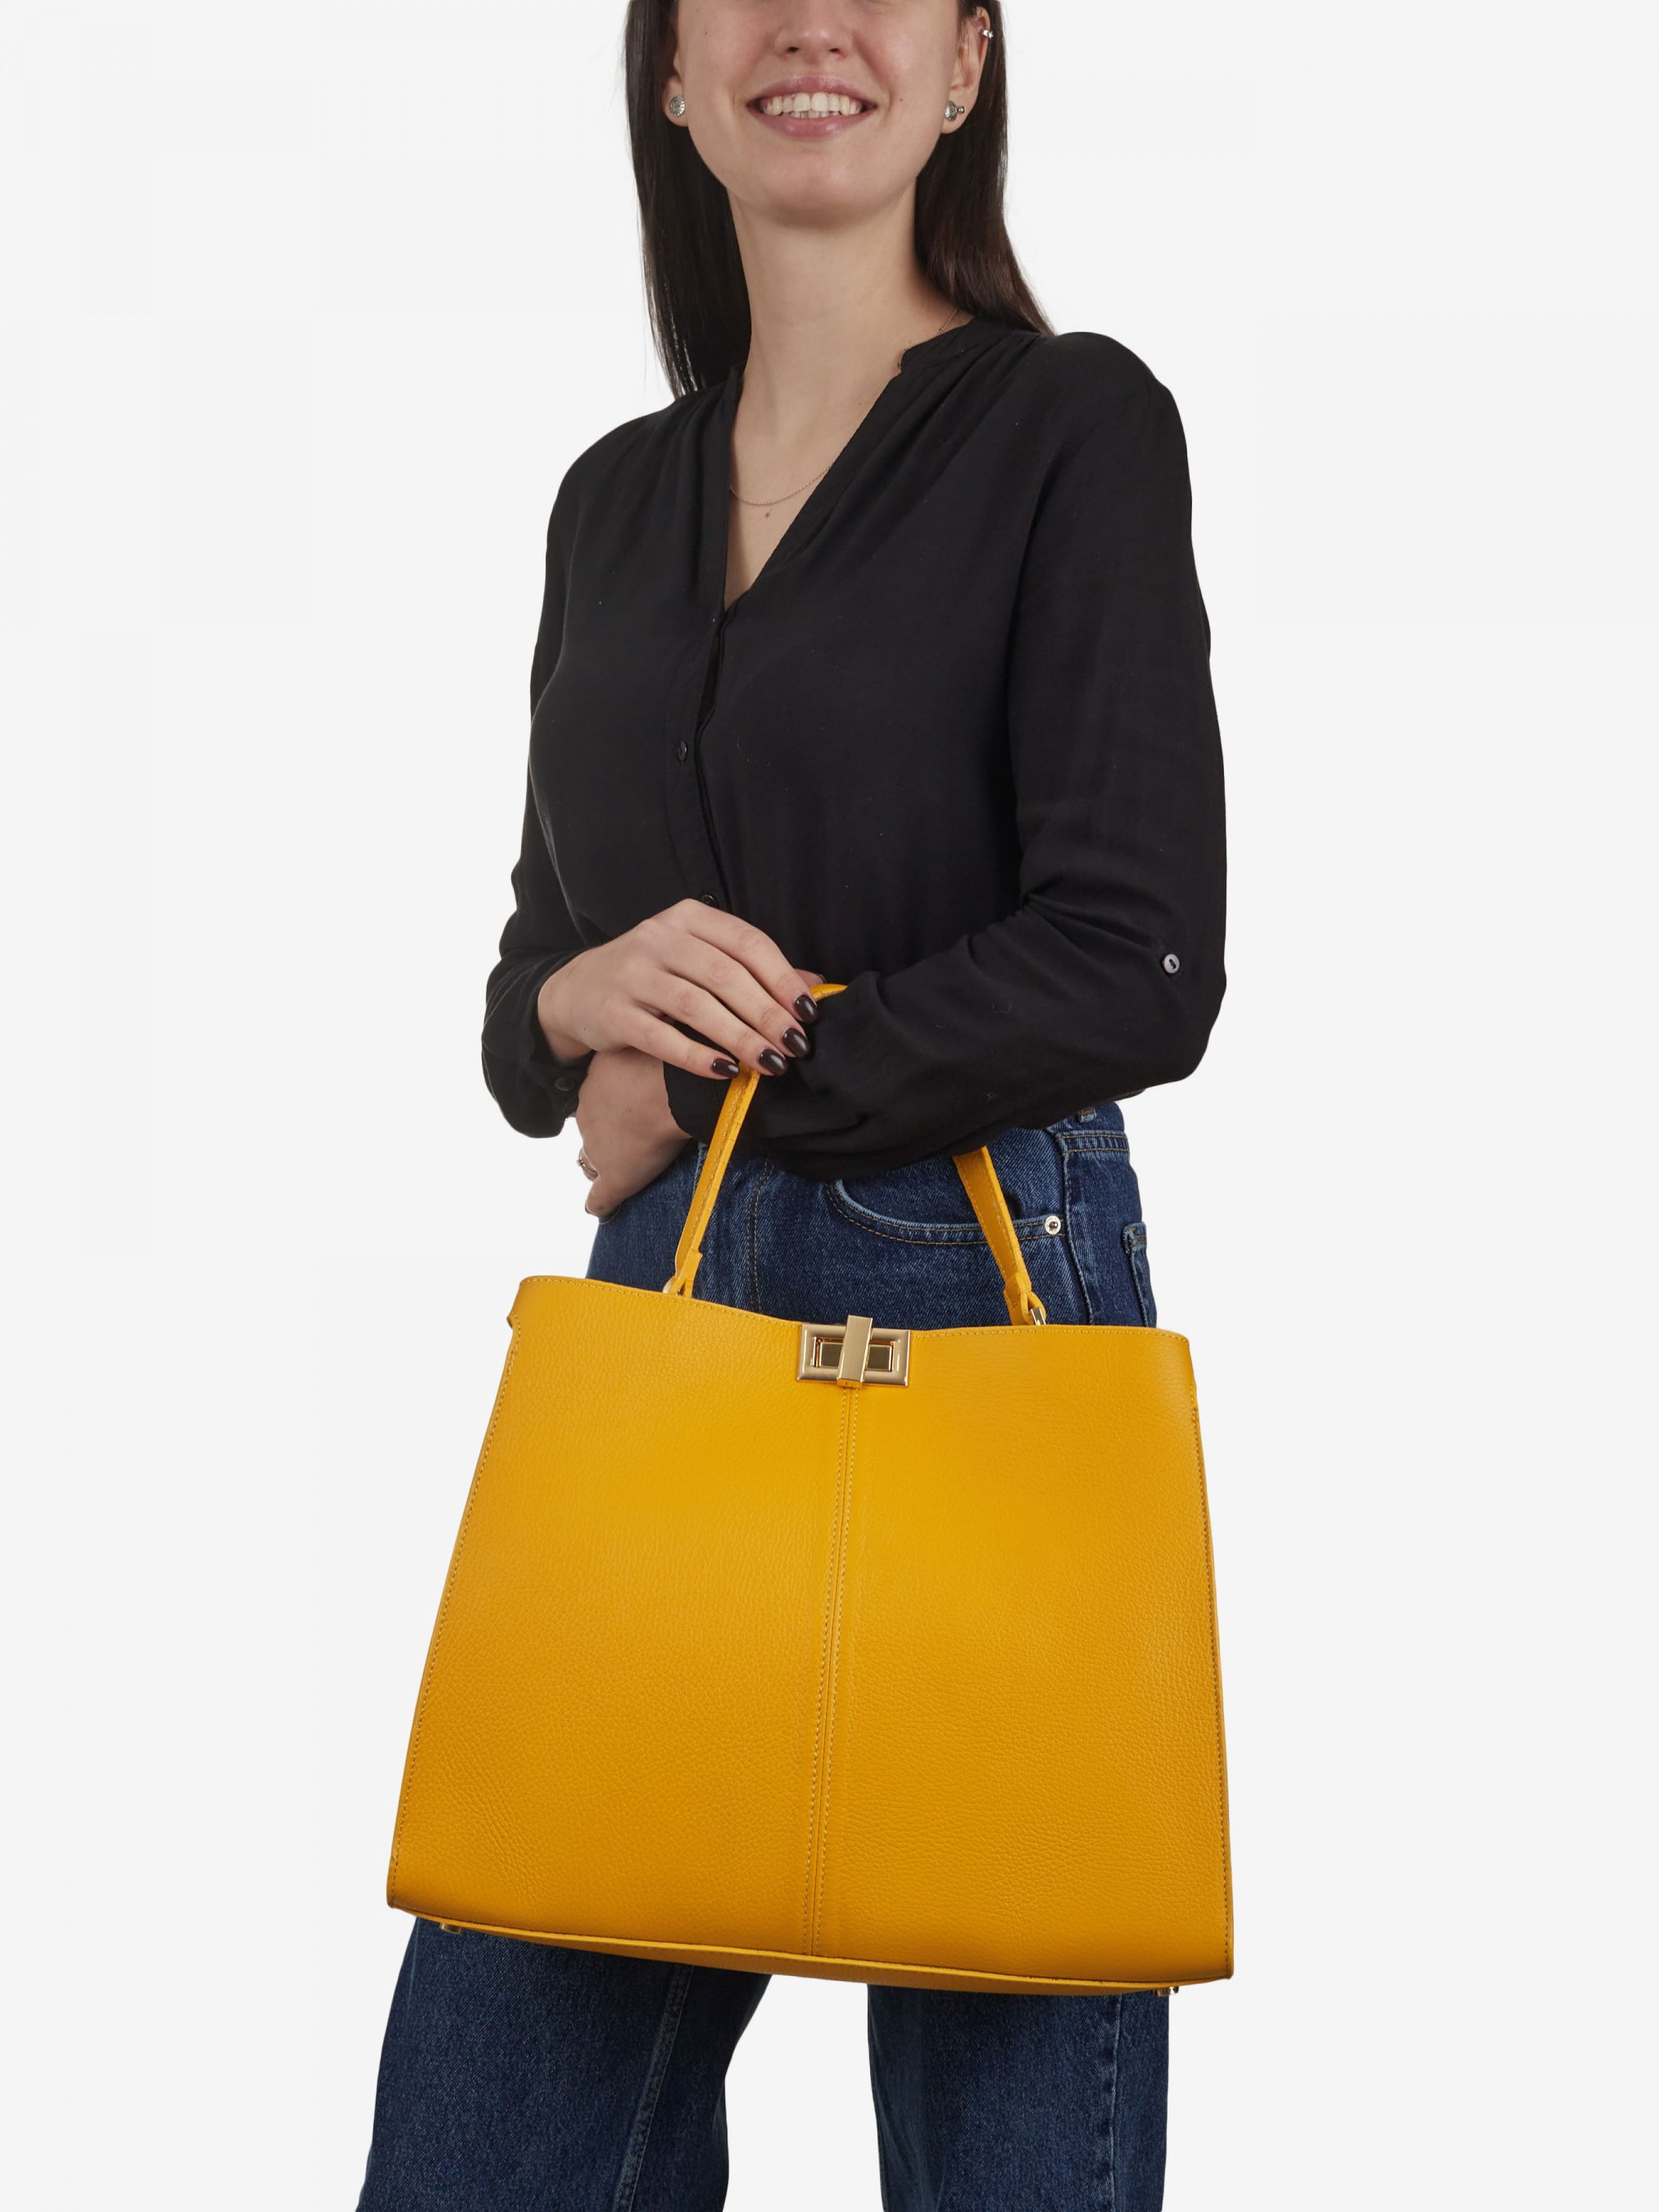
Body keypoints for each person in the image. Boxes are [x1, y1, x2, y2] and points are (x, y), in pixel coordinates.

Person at [357, 2, 1225, 2205]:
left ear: (966, 63)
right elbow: (535, 981)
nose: (810, 24)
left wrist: (736, 1070)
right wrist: (575, 1006)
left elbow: (1137, 954)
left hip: (984, 1276)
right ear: (670, 70)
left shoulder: (1071, 426)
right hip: (665, 1303)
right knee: (493, 2125)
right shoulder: (611, 500)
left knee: (1010, 2113)